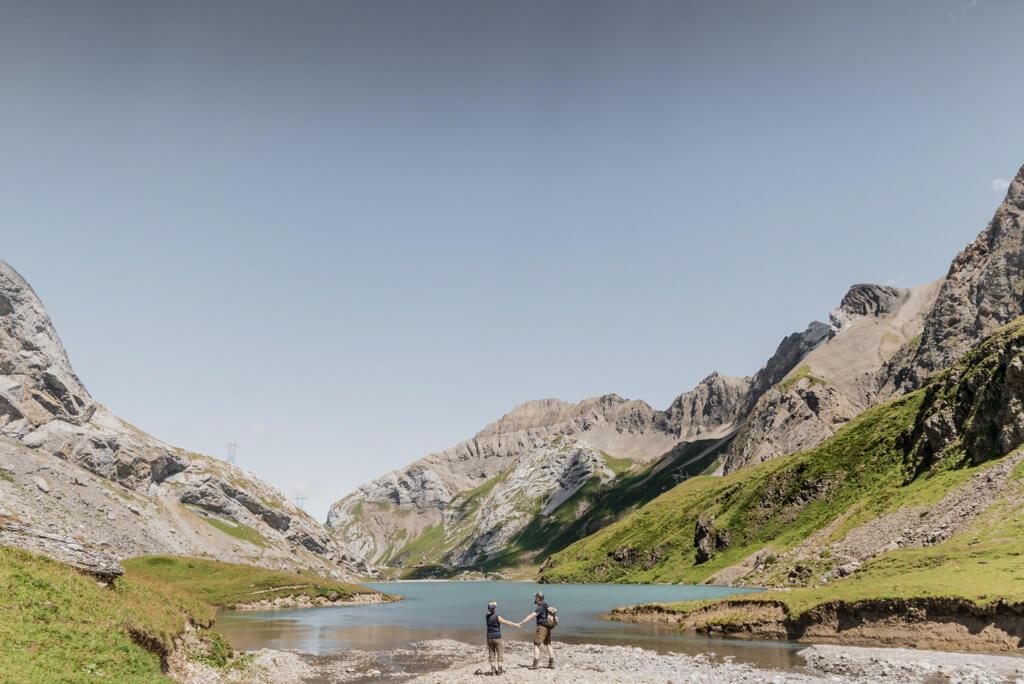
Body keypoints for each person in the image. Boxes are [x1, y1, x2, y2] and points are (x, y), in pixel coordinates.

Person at [516, 591, 554, 670]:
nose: (534, 599)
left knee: (536, 645)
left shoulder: (540, 607)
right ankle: (551, 663)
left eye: (535, 597)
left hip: (542, 627)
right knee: (548, 644)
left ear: (538, 598)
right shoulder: (546, 604)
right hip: (548, 627)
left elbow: (532, 615)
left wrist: (523, 622)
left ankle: (535, 664)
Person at [485, 600, 518, 675]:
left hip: (489, 637)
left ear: (489, 609)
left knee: (491, 653)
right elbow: (507, 622)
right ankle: (500, 669)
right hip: (497, 637)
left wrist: (492, 605)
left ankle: (493, 670)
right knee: (499, 652)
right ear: (495, 609)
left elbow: (490, 608)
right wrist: (516, 625)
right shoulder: (498, 617)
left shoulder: (487, 616)